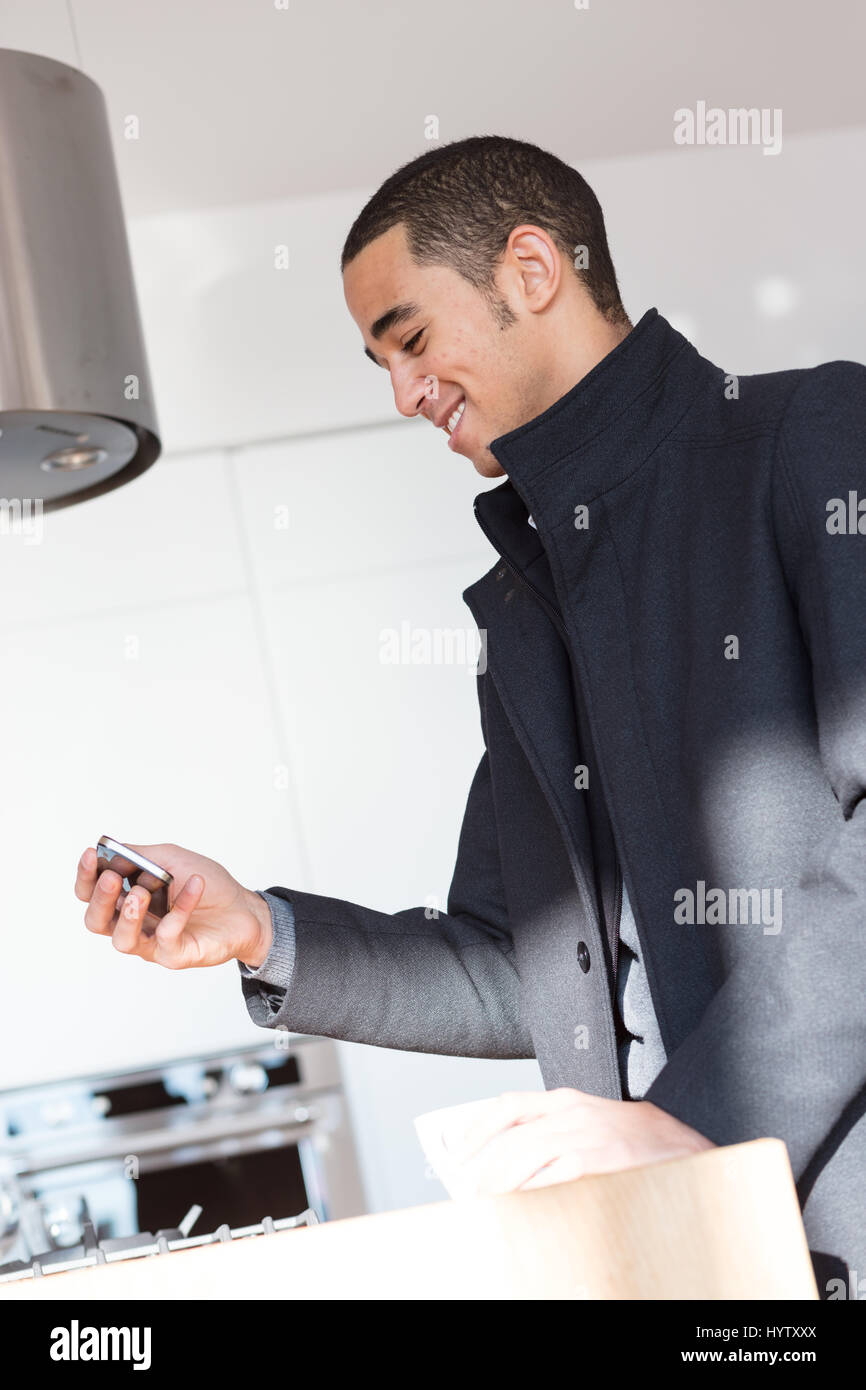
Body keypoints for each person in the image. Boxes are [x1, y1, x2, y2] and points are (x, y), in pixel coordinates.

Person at [75, 135, 866, 1288]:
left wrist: (697, 1121)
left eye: (410, 339)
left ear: (531, 270)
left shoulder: (812, 434)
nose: (403, 395)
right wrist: (257, 928)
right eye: (379, 365)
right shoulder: (525, 607)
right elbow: (520, 963)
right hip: (694, 1257)